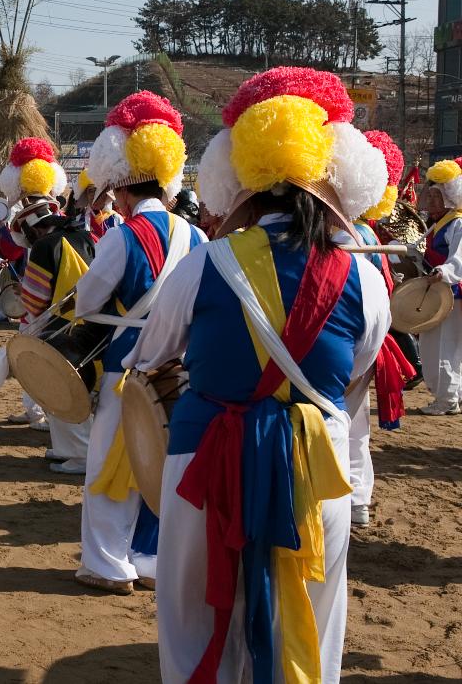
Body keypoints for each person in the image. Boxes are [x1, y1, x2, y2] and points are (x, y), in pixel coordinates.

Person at [127, 67, 391, 683]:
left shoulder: (201, 265)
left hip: (201, 459)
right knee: (313, 615)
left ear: (241, 180)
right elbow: (354, 372)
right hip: (314, 467)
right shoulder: (368, 280)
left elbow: (151, 356)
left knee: (192, 611)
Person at [74, 91, 205, 595]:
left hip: (123, 364)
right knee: (160, 464)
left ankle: (106, 563)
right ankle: (147, 558)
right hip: (177, 366)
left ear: (124, 192)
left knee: (108, 464)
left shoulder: (122, 236)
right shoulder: (195, 236)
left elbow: (87, 303)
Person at [343, 130, 413, 527]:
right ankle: (358, 499)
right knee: (357, 424)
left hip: (355, 337)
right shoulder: (367, 233)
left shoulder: (359, 235)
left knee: (346, 422)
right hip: (368, 337)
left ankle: (353, 497)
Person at [9, 196, 96, 474]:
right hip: (91, 323)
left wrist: (21, 292)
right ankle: (67, 449)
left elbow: (35, 301)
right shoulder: (85, 236)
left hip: (57, 327)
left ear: (32, 230)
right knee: (85, 387)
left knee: (59, 388)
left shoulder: (45, 246)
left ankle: (79, 454)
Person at [0, 138, 68, 429]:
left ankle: (47, 412)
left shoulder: (58, 219)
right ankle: (35, 410)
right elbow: (10, 251)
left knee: (44, 359)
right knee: (30, 358)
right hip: (32, 293)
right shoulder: (25, 217)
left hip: (49, 296)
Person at [418, 156, 462, 416]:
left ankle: (447, 399)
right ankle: (451, 395)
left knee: (445, 345)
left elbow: (459, 257)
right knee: (439, 344)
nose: (432, 200)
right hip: (442, 290)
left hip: (452, 292)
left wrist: (444, 271)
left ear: (450, 195)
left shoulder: (457, 222)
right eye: (431, 195)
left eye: (438, 195)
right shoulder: (441, 223)